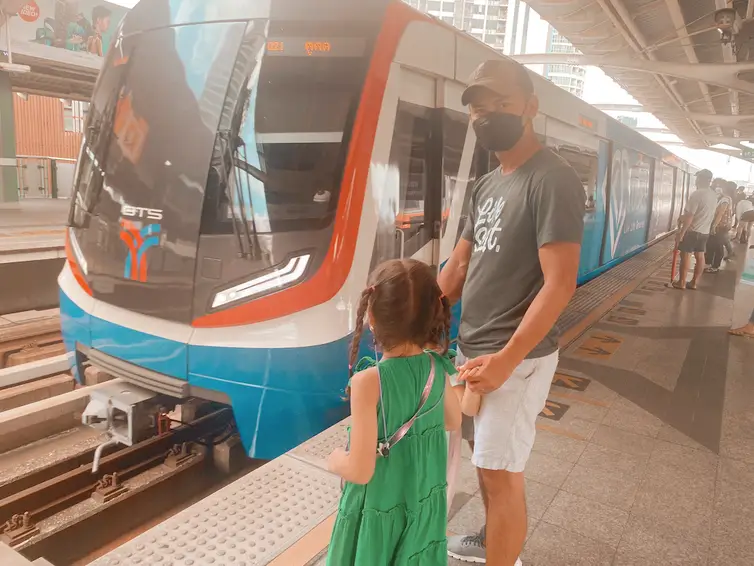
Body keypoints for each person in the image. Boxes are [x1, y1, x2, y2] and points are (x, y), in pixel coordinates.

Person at [438, 59, 585, 566]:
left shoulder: (553, 179)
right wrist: (420, 318)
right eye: (480, 108)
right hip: (475, 352)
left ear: (530, 107)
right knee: (487, 467)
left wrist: (505, 358)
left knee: (501, 477)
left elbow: (561, 282)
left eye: (501, 104)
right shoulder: (486, 184)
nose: (488, 115)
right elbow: (458, 265)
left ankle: (505, 554)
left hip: (514, 360)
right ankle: (495, 544)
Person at [326, 259, 462, 566]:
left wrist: (335, 460)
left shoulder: (368, 382)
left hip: (377, 506)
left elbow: (360, 470)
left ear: (371, 317)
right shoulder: (435, 366)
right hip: (422, 501)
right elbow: (453, 420)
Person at [671, 169, 718, 289]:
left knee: (685, 255)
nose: (696, 180)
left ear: (701, 179)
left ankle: (681, 282)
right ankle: (694, 283)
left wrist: (681, 233)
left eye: (698, 178)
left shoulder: (697, 194)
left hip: (692, 231)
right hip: (704, 232)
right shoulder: (713, 195)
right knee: (700, 256)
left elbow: (690, 215)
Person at [705, 182, 735, 273]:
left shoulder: (725, 199)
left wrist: (714, 226)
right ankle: (710, 263)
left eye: (720, 187)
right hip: (721, 226)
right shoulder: (726, 198)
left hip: (720, 227)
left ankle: (715, 266)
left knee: (718, 246)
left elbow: (721, 213)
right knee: (713, 244)